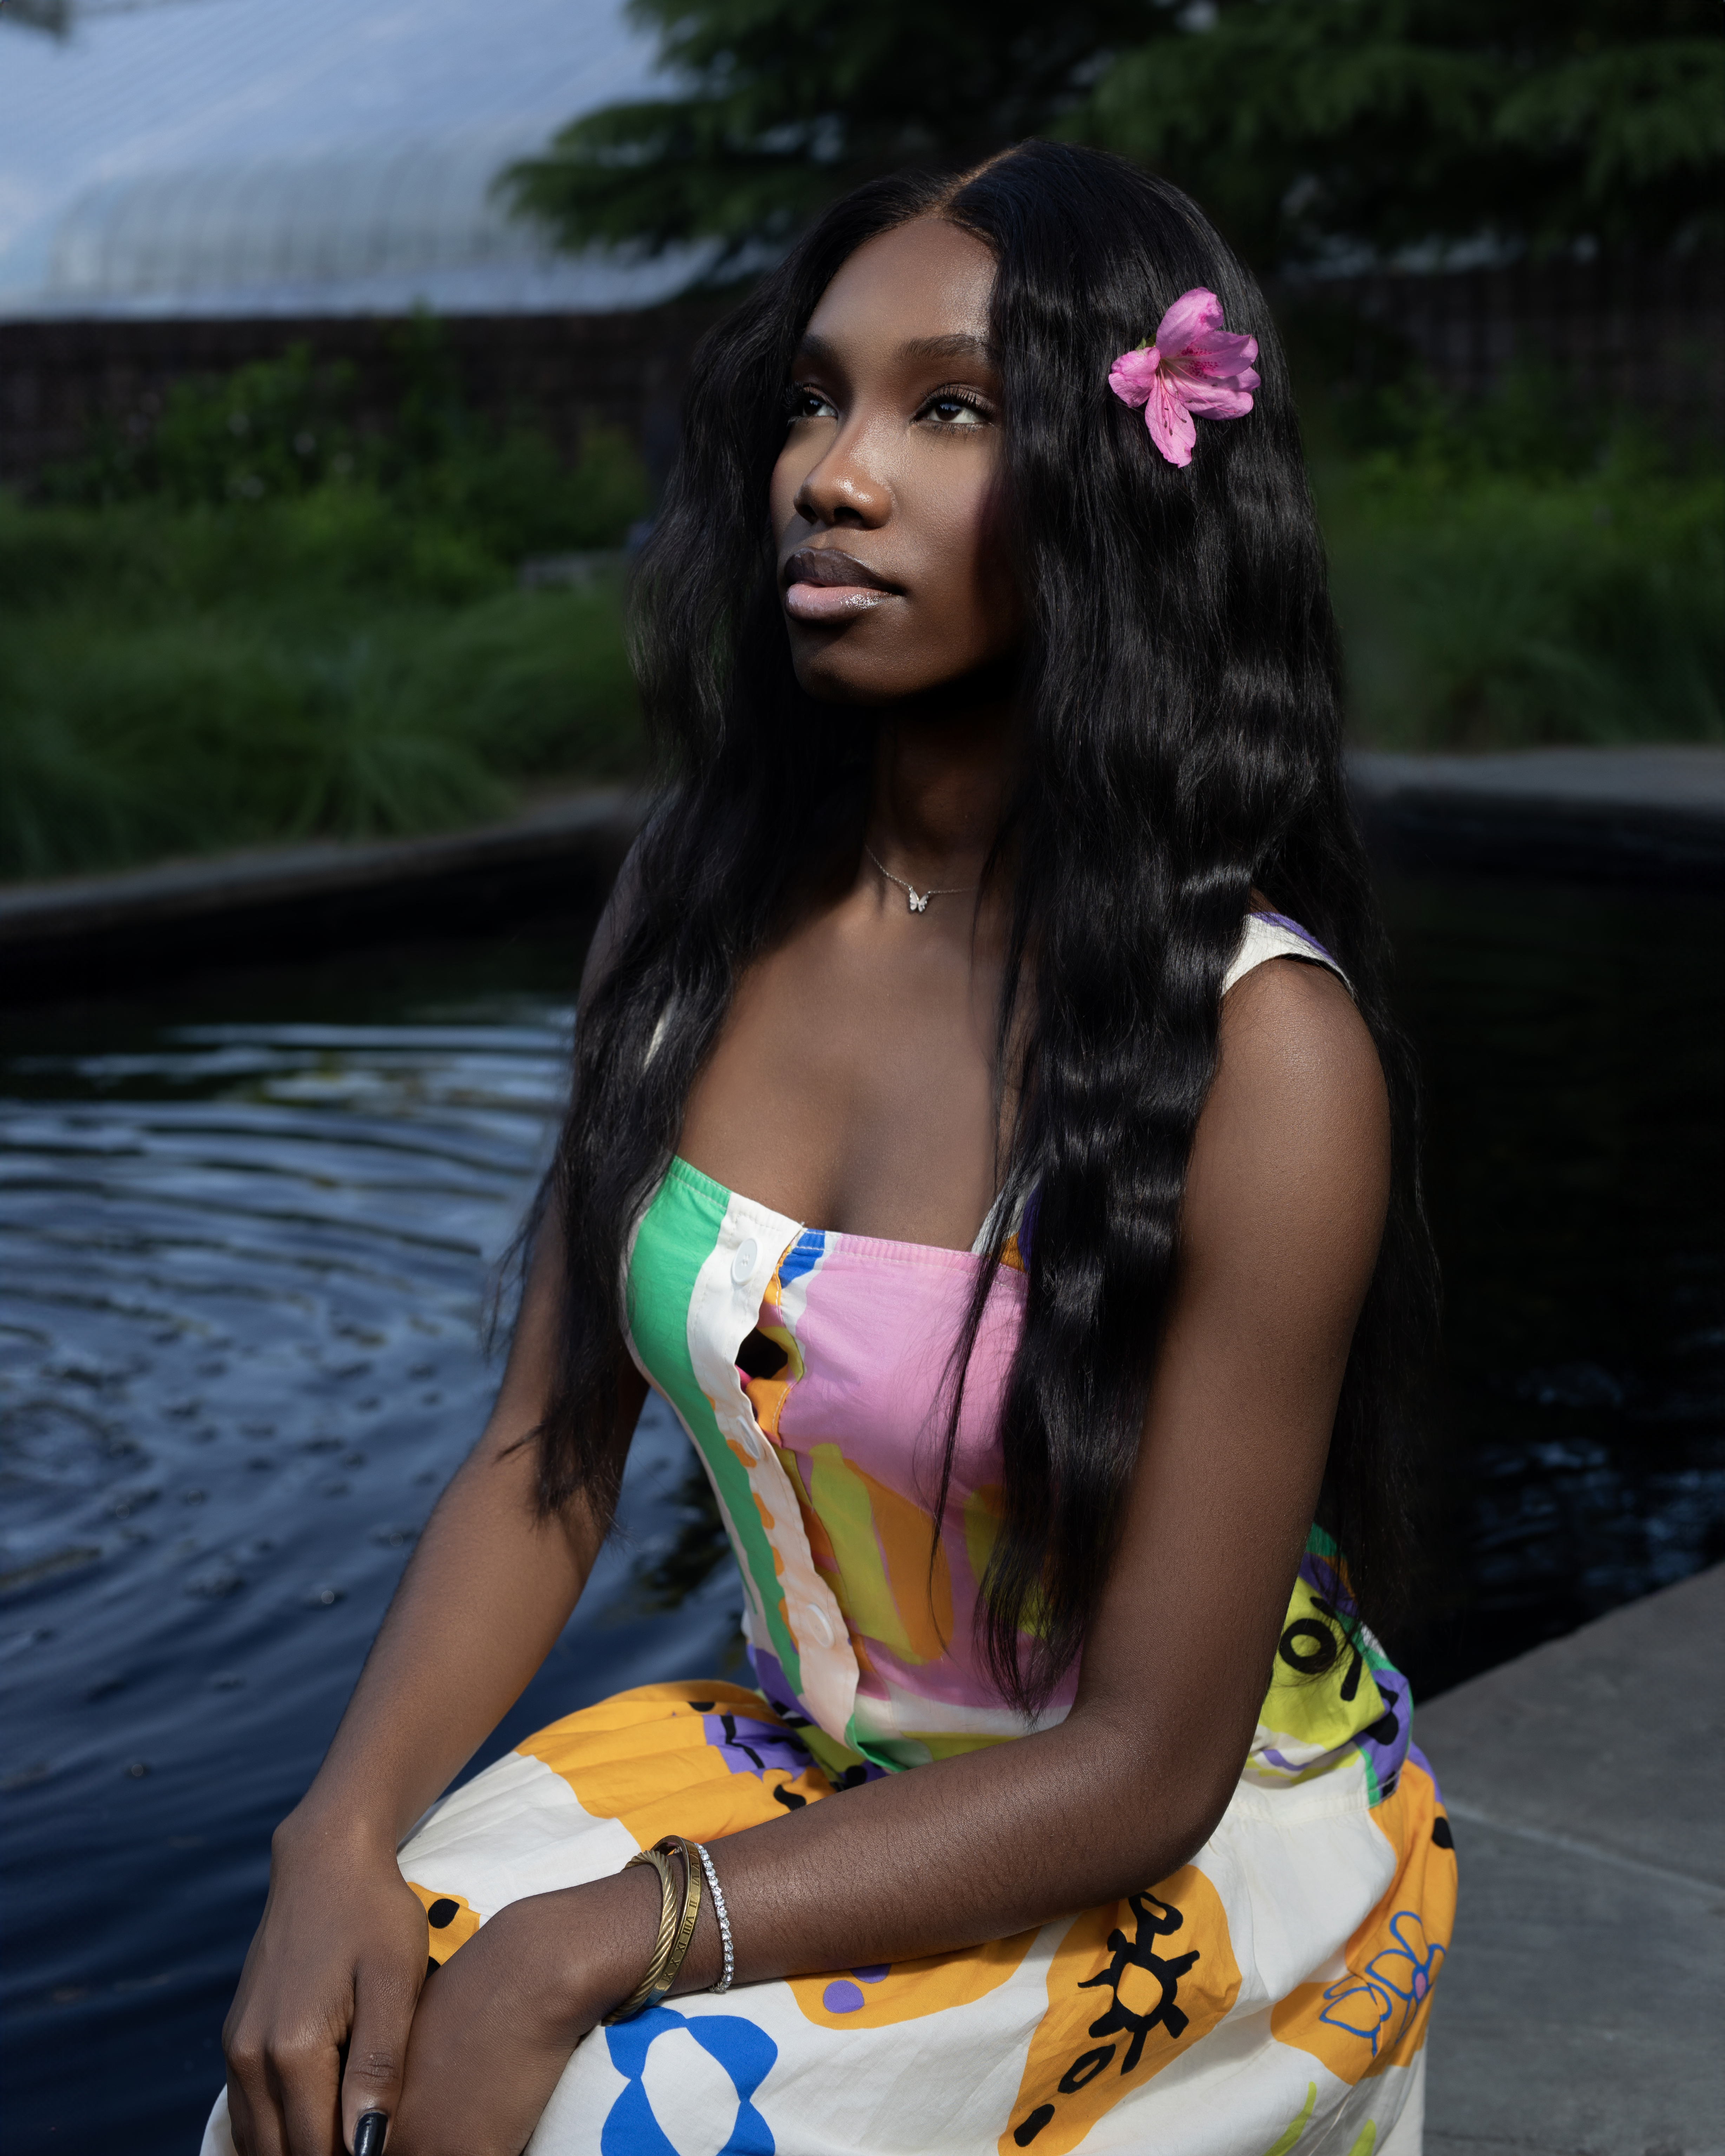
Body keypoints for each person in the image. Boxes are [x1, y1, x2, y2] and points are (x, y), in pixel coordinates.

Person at [206, 140, 1454, 2156]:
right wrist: (329, 1832)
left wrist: (605, 1937)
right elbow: (547, 1459)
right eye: (814, 397)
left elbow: (1147, 1762)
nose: (835, 473)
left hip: (1176, 1843)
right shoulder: (687, 917)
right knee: (327, 2054)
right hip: (808, 1758)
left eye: (947, 409)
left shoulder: (1265, 1050)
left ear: (1127, 471)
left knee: (611, 2109)